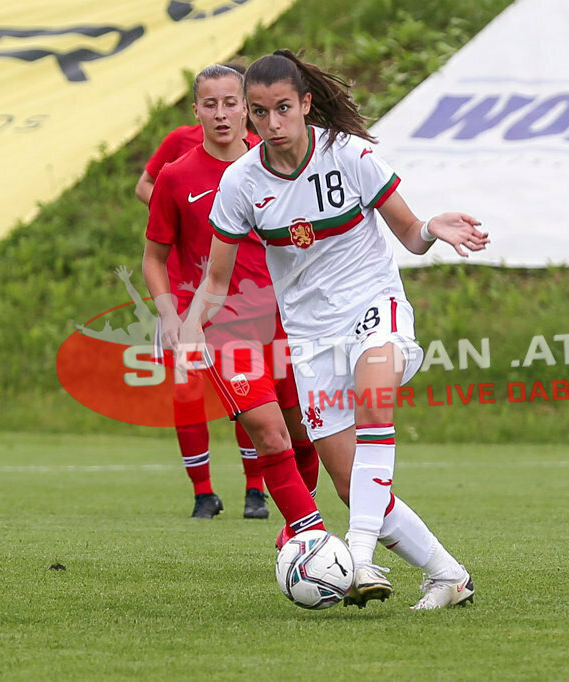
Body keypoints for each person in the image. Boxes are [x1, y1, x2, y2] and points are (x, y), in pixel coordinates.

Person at [194, 50, 489, 610]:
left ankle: (356, 558)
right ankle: (449, 576)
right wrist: (187, 324)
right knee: (352, 483)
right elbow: (215, 280)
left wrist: (432, 226)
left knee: (375, 399)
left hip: (375, 309)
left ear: (306, 104)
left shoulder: (349, 154)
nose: (271, 124)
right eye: (259, 113)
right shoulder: (240, 183)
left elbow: (408, 232)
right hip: (311, 342)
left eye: (283, 108)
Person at [142, 64, 323, 532]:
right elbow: (154, 257)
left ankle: (299, 531)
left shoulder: (278, 162)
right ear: (195, 112)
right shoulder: (176, 177)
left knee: (305, 433)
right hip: (224, 325)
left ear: (246, 107)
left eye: (230, 103)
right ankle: (224, 499)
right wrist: (169, 314)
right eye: (210, 104)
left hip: (289, 320)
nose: (221, 114)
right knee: (267, 430)